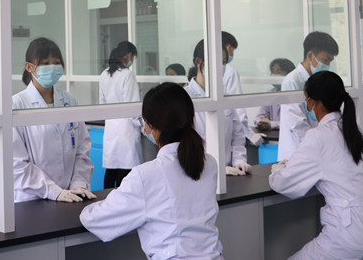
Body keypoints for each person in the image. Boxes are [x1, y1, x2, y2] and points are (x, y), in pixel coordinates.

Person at [80, 82, 223, 259]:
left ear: (150, 127)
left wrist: (84, 209)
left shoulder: (145, 175)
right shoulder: (209, 164)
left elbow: (97, 220)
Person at [269, 71, 363, 260]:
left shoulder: (318, 136)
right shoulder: (353, 132)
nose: (307, 105)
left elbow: (284, 183)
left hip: (349, 236)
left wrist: (277, 170)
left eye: (307, 99)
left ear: (315, 102)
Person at [13, 37, 94, 202]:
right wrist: (54, 191)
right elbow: (17, 164)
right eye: (45, 63)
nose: (52, 67)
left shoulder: (69, 101)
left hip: (71, 195)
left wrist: (78, 184)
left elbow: (82, 149)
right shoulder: (17, 104)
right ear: (29, 67)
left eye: (56, 63)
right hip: (32, 199)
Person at [184, 39, 249, 176]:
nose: (221, 66)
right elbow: (184, 146)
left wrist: (239, 160)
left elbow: (237, 135)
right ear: (198, 61)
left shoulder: (224, 96)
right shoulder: (185, 98)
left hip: (230, 172)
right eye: (216, 61)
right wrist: (215, 169)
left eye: (224, 62)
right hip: (200, 173)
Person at [278, 32, 338, 161]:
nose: (327, 65)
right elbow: (297, 125)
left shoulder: (320, 80)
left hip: (317, 149)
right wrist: (319, 146)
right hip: (298, 151)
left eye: (330, 61)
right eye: (325, 60)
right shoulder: (292, 81)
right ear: (310, 55)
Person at [99, 41, 143, 188]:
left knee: (111, 172)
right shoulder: (127, 75)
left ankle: (107, 200)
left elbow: (102, 103)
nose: (132, 61)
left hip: (111, 129)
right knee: (125, 175)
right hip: (126, 131)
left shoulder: (104, 75)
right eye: (133, 57)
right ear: (128, 55)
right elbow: (132, 108)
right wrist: (142, 124)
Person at [221, 31, 264, 146]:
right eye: (233, 50)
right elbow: (237, 106)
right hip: (230, 132)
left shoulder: (208, 70)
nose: (232, 54)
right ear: (228, 47)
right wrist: (249, 134)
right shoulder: (230, 71)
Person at [255, 58, 296, 131]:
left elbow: (292, 122)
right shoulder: (270, 93)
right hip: (271, 133)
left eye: (278, 72)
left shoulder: (294, 94)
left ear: (289, 74)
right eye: (272, 71)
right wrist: (261, 121)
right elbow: (260, 115)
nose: (273, 74)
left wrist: (272, 124)